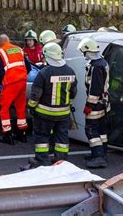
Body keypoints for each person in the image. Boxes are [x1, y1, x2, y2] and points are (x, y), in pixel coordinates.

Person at [26, 43, 77, 169]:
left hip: (44, 113)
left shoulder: (44, 73)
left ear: (47, 56)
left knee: (42, 137)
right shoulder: (70, 71)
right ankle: (61, 161)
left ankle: (41, 161)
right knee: (61, 138)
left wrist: (31, 107)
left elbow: (35, 94)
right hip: (63, 114)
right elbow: (73, 92)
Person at [77, 37, 110, 169]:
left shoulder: (96, 67)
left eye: (84, 52)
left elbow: (95, 88)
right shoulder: (103, 62)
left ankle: (98, 157)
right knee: (101, 130)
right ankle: (101, 153)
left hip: (96, 103)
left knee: (91, 130)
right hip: (104, 102)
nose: (83, 55)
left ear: (88, 51)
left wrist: (89, 105)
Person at [0, 34, 29, 144]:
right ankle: (22, 134)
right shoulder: (19, 49)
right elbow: (28, 67)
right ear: (9, 41)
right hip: (22, 81)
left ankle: (7, 135)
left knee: (4, 108)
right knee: (20, 106)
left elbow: (0, 72)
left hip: (10, 82)